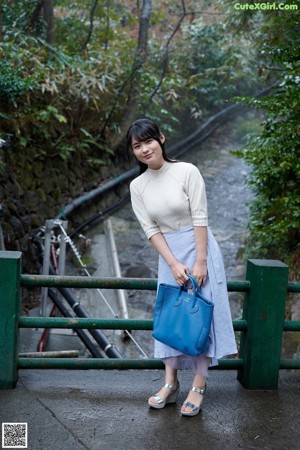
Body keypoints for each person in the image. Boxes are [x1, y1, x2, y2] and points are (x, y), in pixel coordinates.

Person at [127, 118, 237, 417]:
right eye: (138, 146)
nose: (145, 149)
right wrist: (173, 263)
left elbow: (200, 217)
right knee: (172, 316)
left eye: (149, 141)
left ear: (161, 139)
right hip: (169, 255)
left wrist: (200, 261)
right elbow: (150, 229)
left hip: (198, 246)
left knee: (200, 315)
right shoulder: (137, 186)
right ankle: (170, 383)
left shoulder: (186, 171)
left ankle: (198, 385)